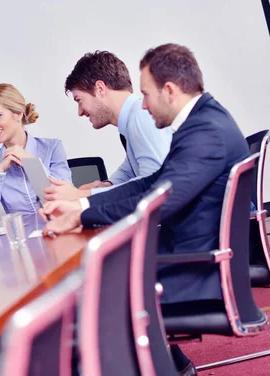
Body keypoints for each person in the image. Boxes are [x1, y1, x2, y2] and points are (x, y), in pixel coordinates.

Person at [40, 44, 249, 376]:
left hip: (195, 269)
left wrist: (82, 214)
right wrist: (83, 206)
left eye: (146, 95)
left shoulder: (205, 132)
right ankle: (171, 366)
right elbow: (153, 182)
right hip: (192, 256)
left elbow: (157, 202)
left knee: (83, 300)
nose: (143, 104)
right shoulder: (204, 121)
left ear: (169, 91)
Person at [45, 51, 171, 200]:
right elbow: (130, 168)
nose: (80, 112)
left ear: (100, 89)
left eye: (79, 100)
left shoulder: (141, 116)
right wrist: (107, 184)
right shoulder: (132, 120)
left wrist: (83, 195)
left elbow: (153, 185)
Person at [0, 83, 72, 220]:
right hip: (23, 238)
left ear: (18, 114)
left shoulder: (52, 148)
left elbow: (63, 200)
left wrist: (31, 163)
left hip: (62, 229)